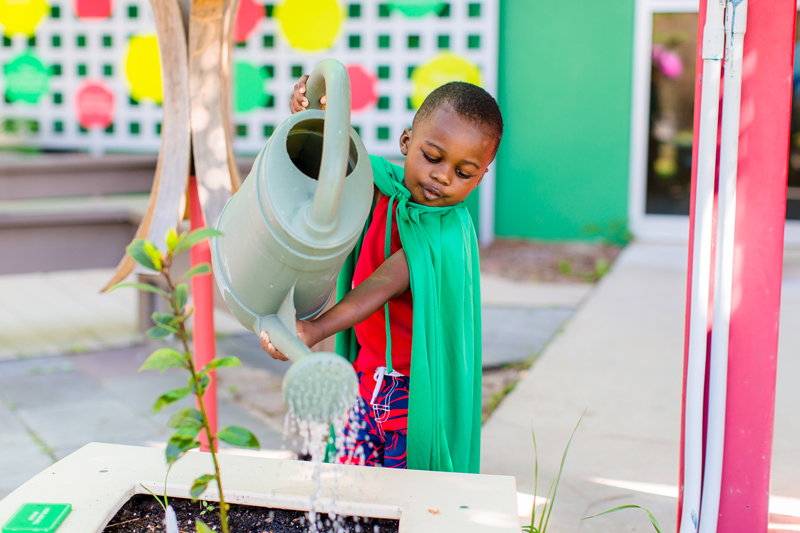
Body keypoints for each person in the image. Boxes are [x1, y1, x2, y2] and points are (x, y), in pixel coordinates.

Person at [261, 76, 504, 473]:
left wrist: (315, 329)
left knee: (403, 491)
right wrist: (313, 117)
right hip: (366, 376)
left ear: (481, 177)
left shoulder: (444, 232)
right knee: (350, 479)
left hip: (414, 394)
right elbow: (339, 160)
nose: (443, 177)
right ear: (407, 143)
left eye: (464, 173)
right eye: (432, 156)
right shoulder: (384, 189)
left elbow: (383, 282)